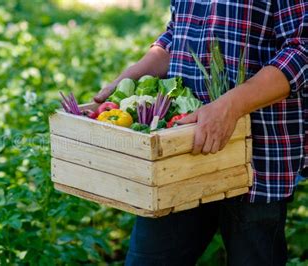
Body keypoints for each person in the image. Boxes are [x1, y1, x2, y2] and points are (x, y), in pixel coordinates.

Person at [94, 1, 307, 265]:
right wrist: (125, 81)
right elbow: (177, 36)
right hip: (179, 153)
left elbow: (301, 50)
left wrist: (229, 107)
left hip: (258, 158)